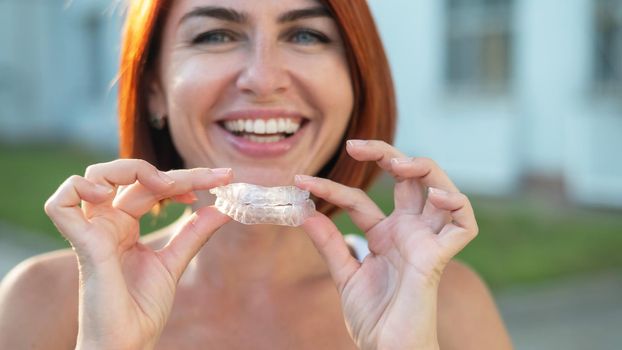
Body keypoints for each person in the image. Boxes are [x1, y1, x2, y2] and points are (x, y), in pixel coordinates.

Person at [0, 0, 513, 349]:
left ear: (355, 79)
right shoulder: (42, 301)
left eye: (307, 34)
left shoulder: (444, 305)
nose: (264, 79)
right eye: (216, 34)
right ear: (154, 86)